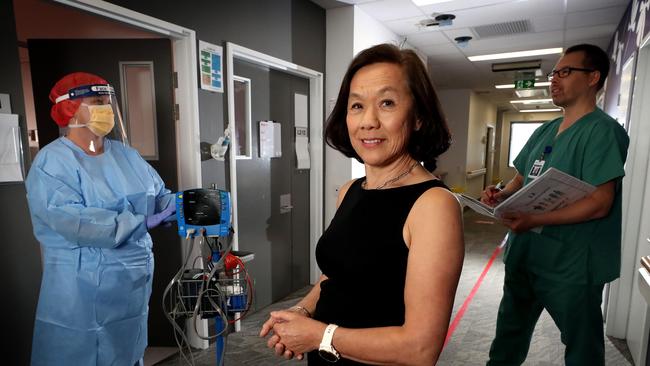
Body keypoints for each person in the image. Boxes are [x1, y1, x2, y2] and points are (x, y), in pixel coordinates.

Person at [259, 43, 464, 365]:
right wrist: (301, 313)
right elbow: (337, 274)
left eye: (387, 103)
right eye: (356, 106)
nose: (368, 121)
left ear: (419, 117)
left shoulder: (433, 205)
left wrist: (318, 335)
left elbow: (420, 349)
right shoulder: (351, 189)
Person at [481, 44, 629, 366]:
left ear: (593, 77)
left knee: (582, 349)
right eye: (553, 73)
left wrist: (535, 220)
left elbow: (600, 204)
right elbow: (521, 180)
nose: (554, 80)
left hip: (570, 265)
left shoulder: (603, 133)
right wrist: (500, 193)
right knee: (507, 339)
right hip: (525, 257)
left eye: (565, 72)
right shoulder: (545, 131)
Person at [25, 72, 176, 366]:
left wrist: (185, 206)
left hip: (130, 285)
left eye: (108, 102)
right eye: (97, 101)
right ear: (70, 109)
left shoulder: (127, 155)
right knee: (80, 354)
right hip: (80, 287)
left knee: (127, 352)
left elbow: (157, 195)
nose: (106, 110)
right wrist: (140, 223)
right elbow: (71, 220)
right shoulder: (52, 162)